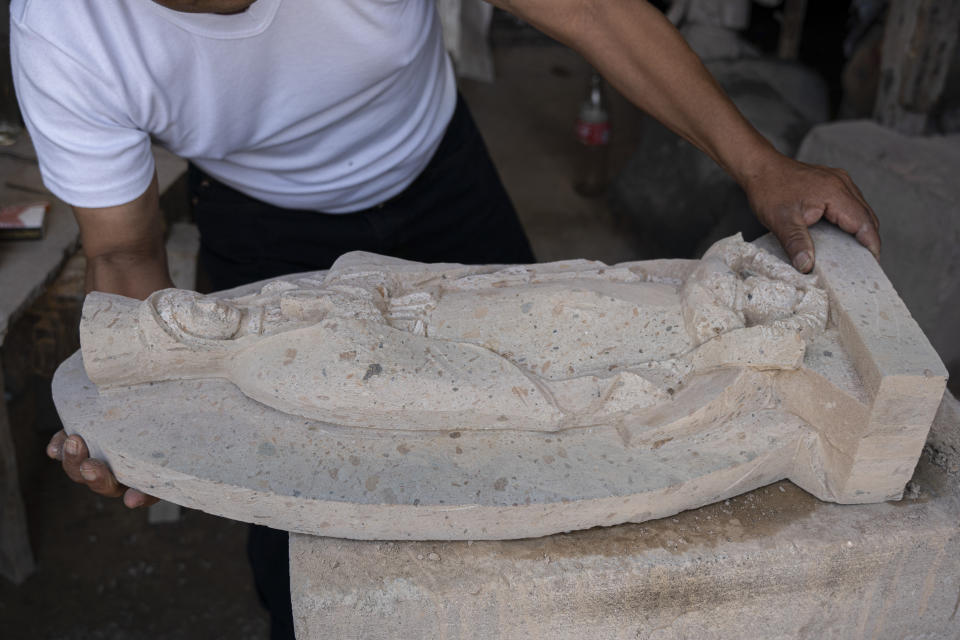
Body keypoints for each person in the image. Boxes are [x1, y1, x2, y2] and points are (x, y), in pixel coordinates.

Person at [12, 0, 880, 638]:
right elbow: (125, 255)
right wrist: (137, 417)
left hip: (439, 179)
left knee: (551, 461)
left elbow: (595, 10)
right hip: (268, 242)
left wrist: (760, 165)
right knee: (313, 536)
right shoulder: (65, 30)